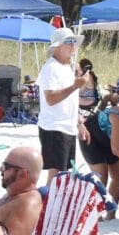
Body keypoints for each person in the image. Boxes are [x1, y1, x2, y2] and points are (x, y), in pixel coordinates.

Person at [36, 28, 84, 179]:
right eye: (69, 41)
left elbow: (70, 100)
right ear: (57, 46)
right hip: (54, 127)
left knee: (63, 175)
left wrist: (78, 122)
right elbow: (50, 98)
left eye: (74, 41)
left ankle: (52, 196)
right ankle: (48, 196)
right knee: (56, 175)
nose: (73, 45)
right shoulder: (50, 68)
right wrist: (75, 86)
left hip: (67, 127)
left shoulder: (66, 67)